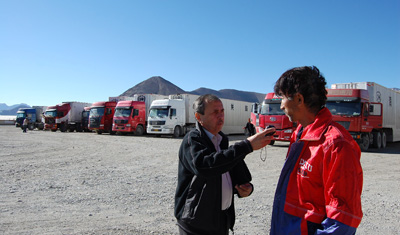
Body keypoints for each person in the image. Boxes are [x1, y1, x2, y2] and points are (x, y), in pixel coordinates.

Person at [269, 66, 363, 234]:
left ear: (299, 99)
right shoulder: (300, 133)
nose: (281, 106)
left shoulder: (336, 145)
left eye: (282, 97)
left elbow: (342, 221)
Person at [175, 94, 275, 235]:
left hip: (221, 221)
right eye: (215, 112)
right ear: (199, 117)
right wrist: (247, 145)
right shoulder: (193, 140)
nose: (221, 116)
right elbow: (205, 166)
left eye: (222, 111)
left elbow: (232, 175)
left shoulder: (222, 141)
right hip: (195, 223)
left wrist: (245, 188)